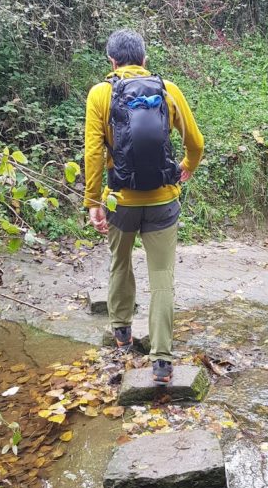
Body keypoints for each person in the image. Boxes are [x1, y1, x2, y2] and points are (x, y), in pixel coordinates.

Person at [83, 29, 204, 385]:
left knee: (120, 262)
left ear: (112, 61)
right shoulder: (169, 90)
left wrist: (93, 201)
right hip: (164, 199)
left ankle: (122, 334)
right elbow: (196, 143)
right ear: (144, 59)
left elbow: (93, 153)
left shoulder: (100, 94)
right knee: (162, 278)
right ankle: (162, 362)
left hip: (119, 198)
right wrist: (185, 168)